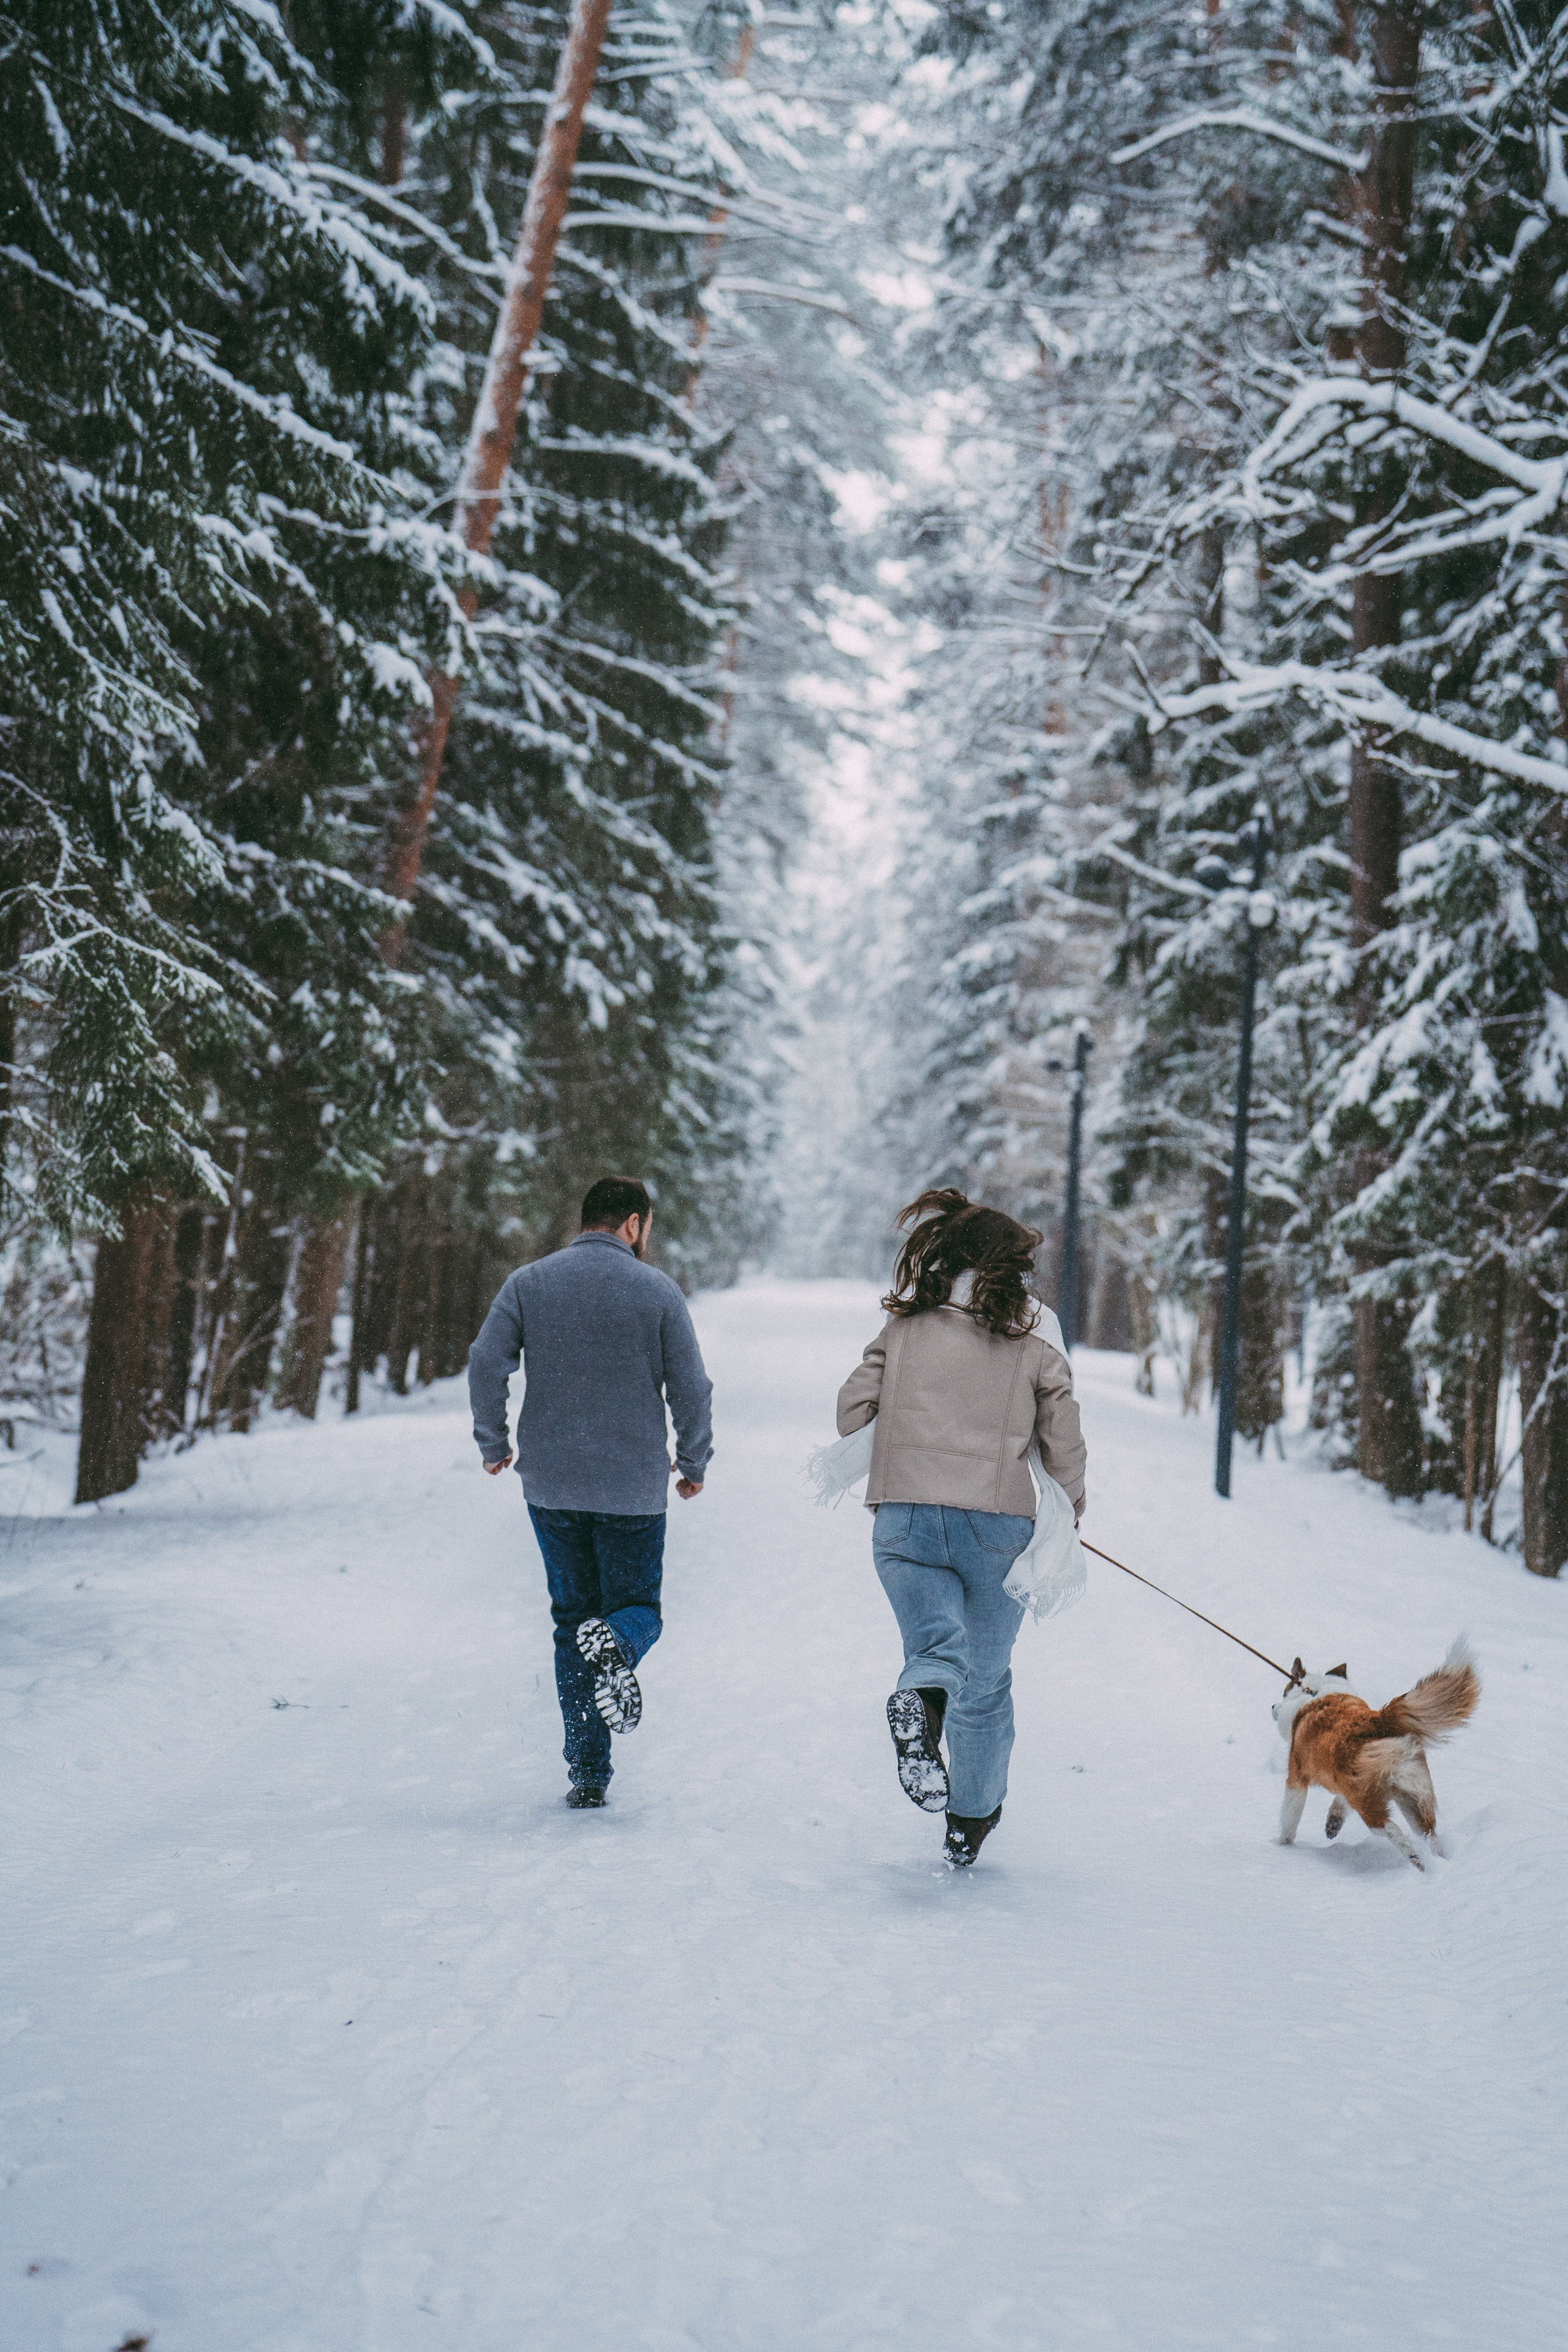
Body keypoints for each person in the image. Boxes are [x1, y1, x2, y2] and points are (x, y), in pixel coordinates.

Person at [837, 1188, 1087, 1867]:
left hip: (904, 1518)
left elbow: (853, 1411)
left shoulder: (905, 1324)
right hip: (995, 1526)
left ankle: (920, 1702)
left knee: (935, 1649)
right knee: (984, 1681)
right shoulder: (1035, 1333)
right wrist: (1068, 1508)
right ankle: (969, 1820)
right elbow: (1062, 1435)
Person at [468, 1175, 713, 1809]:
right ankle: (620, 1644)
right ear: (633, 1224)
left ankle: (587, 1772)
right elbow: (691, 1386)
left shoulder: (529, 1283)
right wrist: (693, 1461)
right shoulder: (657, 1291)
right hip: (631, 1488)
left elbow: (486, 1361)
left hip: (551, 1484)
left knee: (571, 1621)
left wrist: (493, 1443)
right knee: (637, 1610)